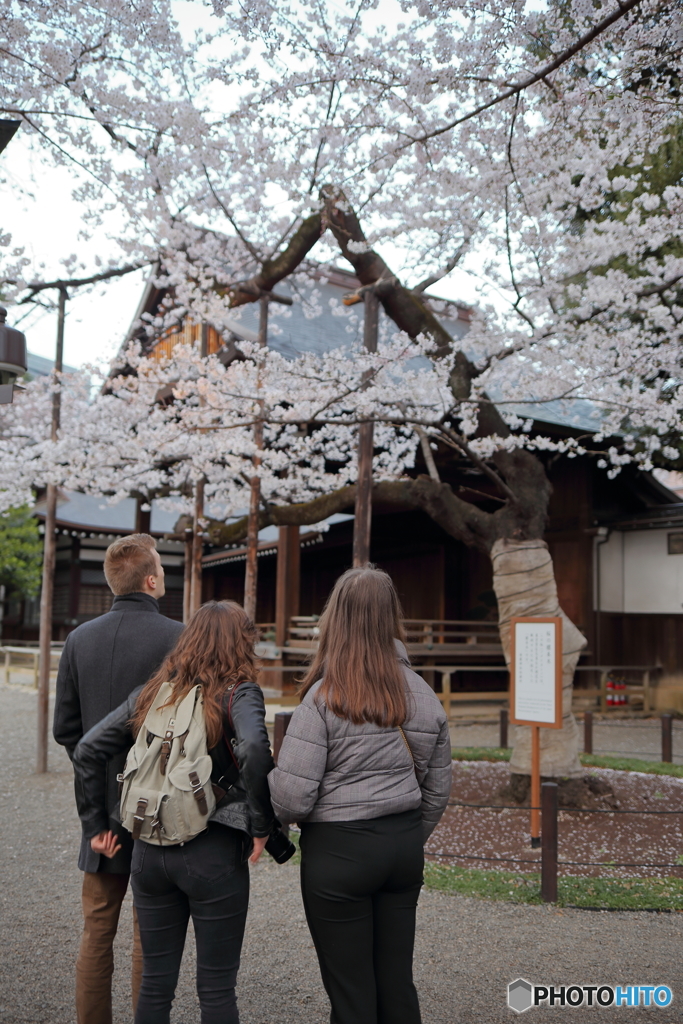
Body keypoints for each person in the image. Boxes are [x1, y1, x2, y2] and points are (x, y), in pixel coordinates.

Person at [72, 600, 277, 1024]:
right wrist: (261, 825)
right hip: (213, 852)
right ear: (242, 643)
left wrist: (96, 824)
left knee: (155, 985)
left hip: (148, 852)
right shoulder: (238, 692)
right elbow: (256, 749)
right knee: (217, 989)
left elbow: (88, 748)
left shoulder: (154, 691)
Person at [269, 566, 452, 1024]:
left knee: (352, 994)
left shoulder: (323, 698)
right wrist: (407, 834)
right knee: (396, 983)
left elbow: (292, 799)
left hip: (340, 854)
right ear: (392, 618)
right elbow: (437, 788)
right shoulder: (425, 695)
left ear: (337, 619)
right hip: (403, 847)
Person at [53, 532, 183, 1024]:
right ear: (151, 579)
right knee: (148, 933)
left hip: (101, 812)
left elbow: (65, 729)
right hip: (160, 807)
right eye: (163, 571)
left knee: (97, 929)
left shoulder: (78, 639)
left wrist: (97, 770)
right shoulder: (179, 638)